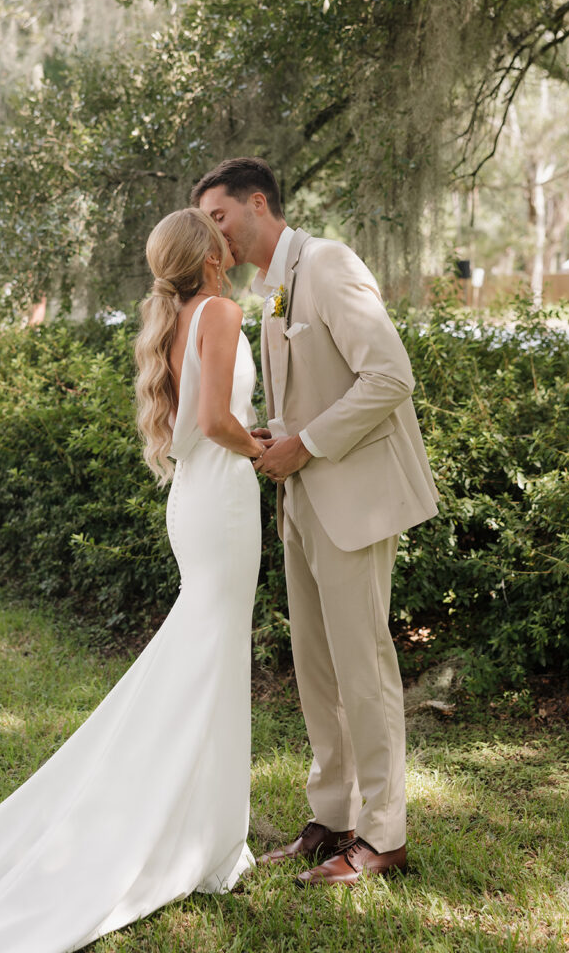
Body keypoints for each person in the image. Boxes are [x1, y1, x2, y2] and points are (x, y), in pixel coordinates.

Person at [0, 208, 265, 951]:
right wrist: (262, 445)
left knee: (207, 656)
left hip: (197, 501)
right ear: (208, 256)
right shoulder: (223, 309)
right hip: (225, 496)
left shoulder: (175, 317)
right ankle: (195, 836)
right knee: (212, 656)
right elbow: (212, 419)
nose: (229, 237)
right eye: (218, 230)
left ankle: (204, 830)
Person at [193, 157, 439, 887]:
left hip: (355, 501)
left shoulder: (328, 264)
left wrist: (309, 443)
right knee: (317, 671)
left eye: (219, 217)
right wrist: (276, 438)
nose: (214, 236)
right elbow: (303, 393)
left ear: (257, 203)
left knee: (363, 669)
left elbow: (391, 377)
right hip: (301, 500)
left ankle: (384, 837)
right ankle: (332, 818)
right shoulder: (270, 290)